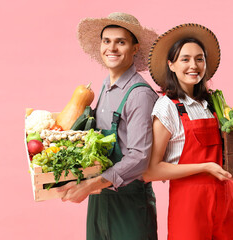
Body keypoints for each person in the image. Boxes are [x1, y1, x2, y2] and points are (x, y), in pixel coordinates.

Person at [57, 12, 159, 240]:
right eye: (107, 41)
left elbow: (139, 157)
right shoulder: (104, 86)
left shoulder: (139, 94)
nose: (111, 48)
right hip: (98, 197)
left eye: (120, 42)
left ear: (134, 48)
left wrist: (90, 185)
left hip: (129, 203)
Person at [143, 23, 233, 240]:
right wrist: (205, 167)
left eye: (199, 58)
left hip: (226, 199)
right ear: (172, 65)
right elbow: (151, 171)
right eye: (184, 59)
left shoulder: (214, 103)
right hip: (190, 204)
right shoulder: (167, 106)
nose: (193, 65)